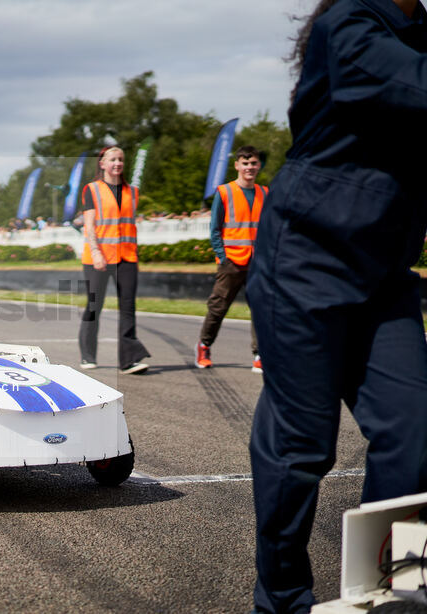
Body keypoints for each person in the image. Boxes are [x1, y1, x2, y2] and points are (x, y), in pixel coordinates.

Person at [246, 1, 427, 612]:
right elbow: (405, 83)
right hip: (304, 260)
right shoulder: (347, 25)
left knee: (415, 434)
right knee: (301, 448)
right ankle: (282, 598)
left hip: (384, 275)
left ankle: (389, 595)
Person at [77, 145, 150, 374]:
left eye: (120, 159)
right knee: (94, 306)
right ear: (102, 164)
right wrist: (96, 251)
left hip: (127, 256)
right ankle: (88, 355)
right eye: (112, 160)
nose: (117, 163)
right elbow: (89, 225)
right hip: (98, 258)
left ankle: (128, 360)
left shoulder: (133, 191)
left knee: (128, 307)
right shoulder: (92, 189)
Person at [195, 145, 268, 372]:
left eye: (253, 163)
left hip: (257, 263)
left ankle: (259, 355)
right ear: (237, 165)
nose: (249, 167)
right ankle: (204, 345)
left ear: (258, 166)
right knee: (218, 307)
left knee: (260, 309)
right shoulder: (224, 192)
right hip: (231, 262)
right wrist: (222, 257)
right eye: (245, 163)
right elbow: (215, 229)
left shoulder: (265, 192)